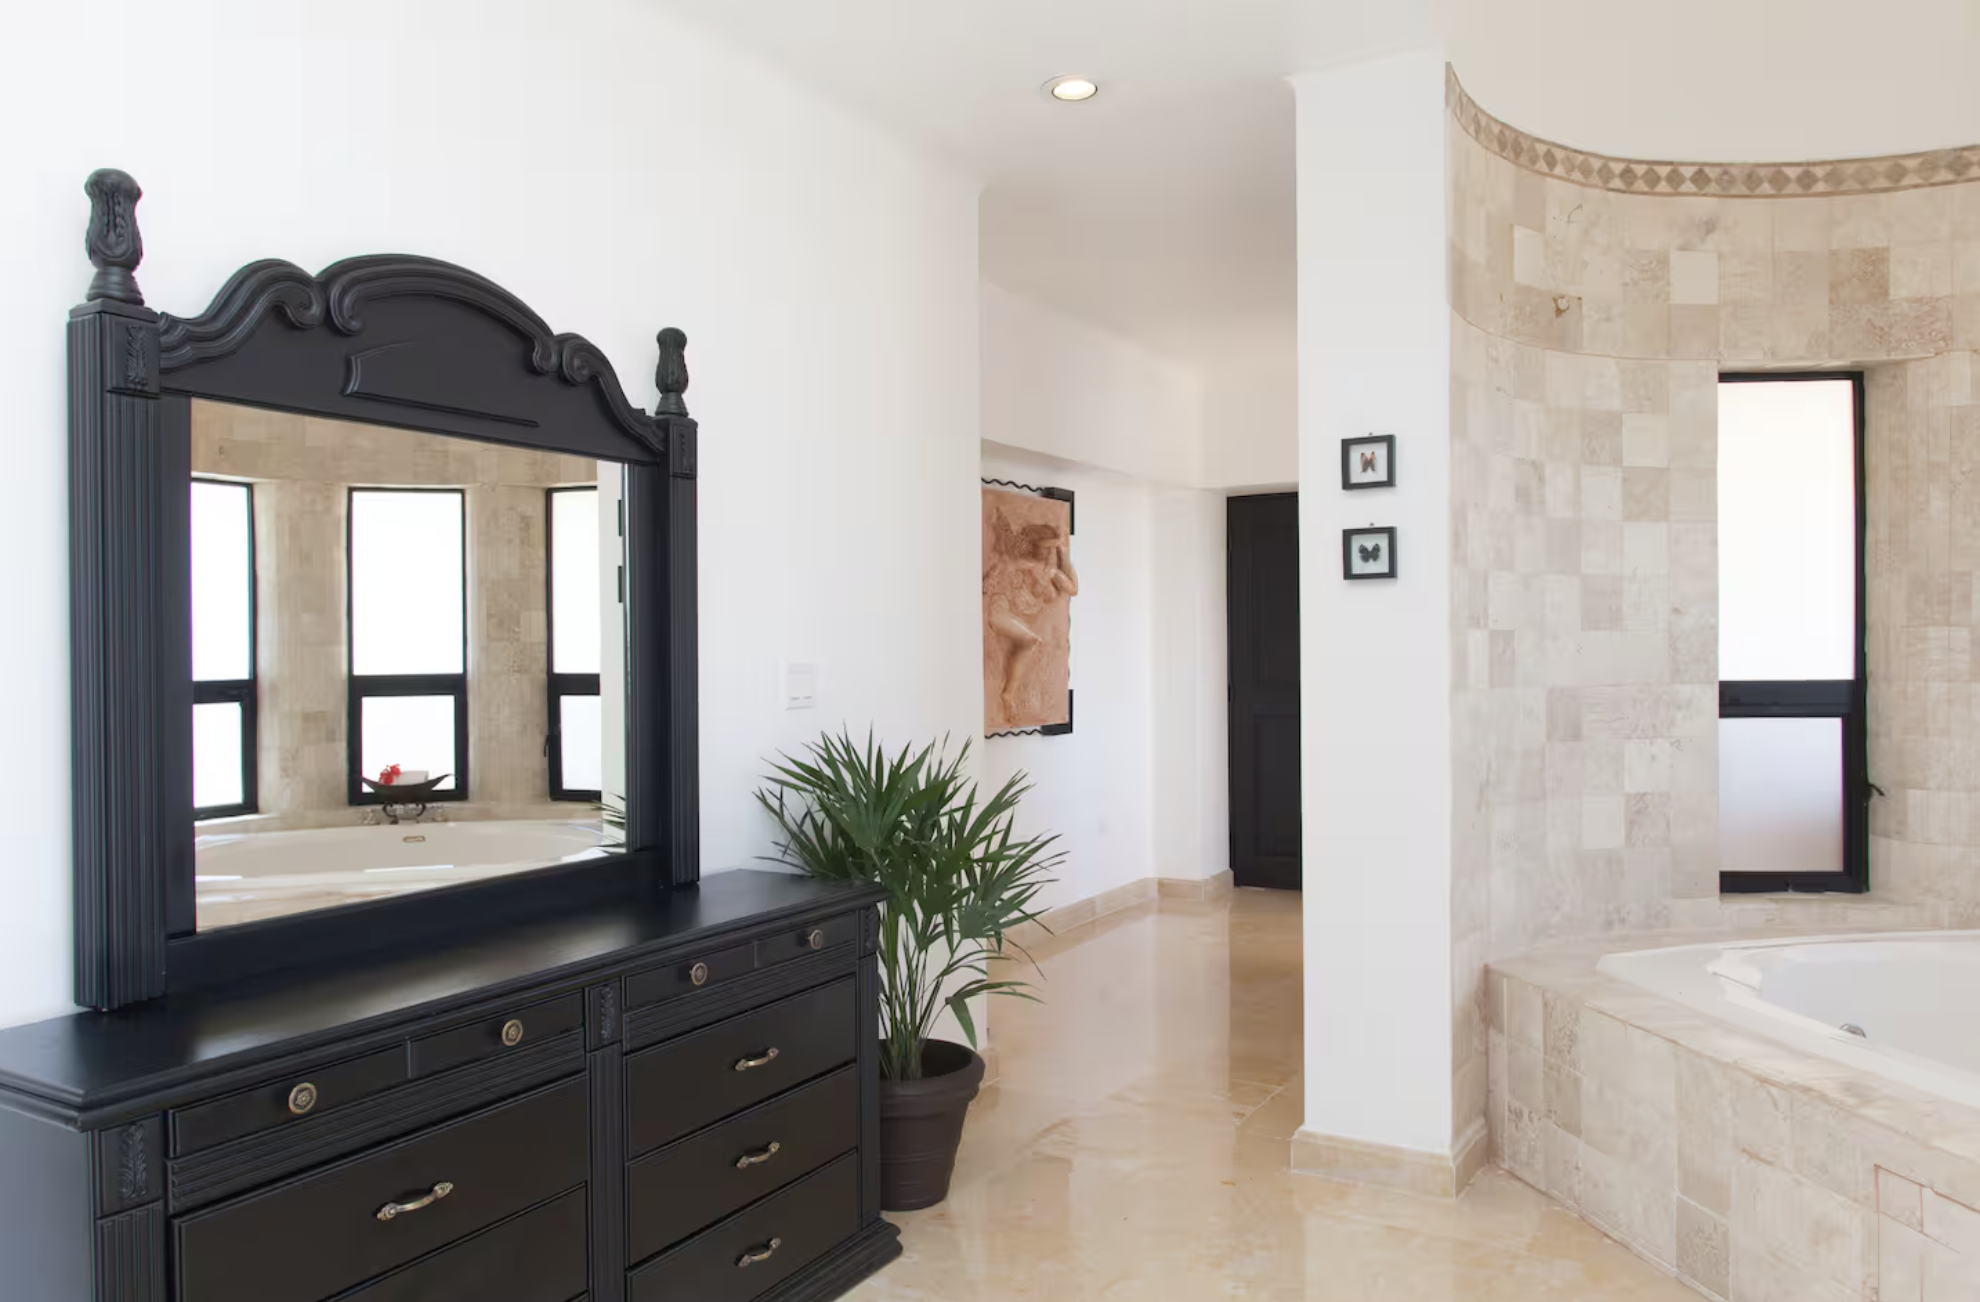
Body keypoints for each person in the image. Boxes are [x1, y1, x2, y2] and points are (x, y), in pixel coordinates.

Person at [985, 518, 1077, 721]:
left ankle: (1009, 693)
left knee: (1033, 641)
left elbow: (1073, 589)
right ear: (1033, 547)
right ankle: (1008, 694)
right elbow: (992, 577)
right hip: (999, 611)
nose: (1048, 552)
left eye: (1051, 549)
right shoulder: (1017, 564)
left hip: (1014, 616)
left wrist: (1063, 555)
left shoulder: (1050, 572)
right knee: (1031, 640)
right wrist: (992, 578)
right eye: (1045, 548)